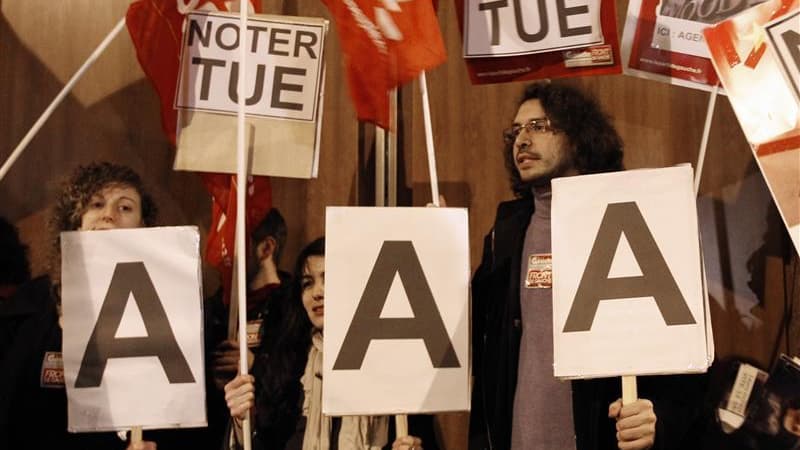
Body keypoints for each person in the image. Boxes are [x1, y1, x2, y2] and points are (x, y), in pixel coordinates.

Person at [469, 81, 706, 450]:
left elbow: (682, 359)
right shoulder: (505, 234)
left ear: (579, 137)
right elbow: (480, 353)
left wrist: (657, 419)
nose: (522, 140)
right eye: (515, 131)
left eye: (539, 126)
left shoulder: (630, 214)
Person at [0, 162, 158, 450]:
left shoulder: (167, 308)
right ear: (77, 220)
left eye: (125, 208)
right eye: (97, 204)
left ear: (143, 226)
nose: (109, 216)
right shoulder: (29, 305)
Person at [224, 238, 424, 450]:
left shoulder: (393, 368)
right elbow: (262, 441)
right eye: (307, 283)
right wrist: (242, 421)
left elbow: (420, 436)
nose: (317, 293)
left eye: (329, 279)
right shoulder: (287, 363)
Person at [205, 208, 293, 448]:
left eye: (230, 244)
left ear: (266, 248)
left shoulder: (293, 308)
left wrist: (255, 366)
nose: (222, 255)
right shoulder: (213, 310)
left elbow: (299, 387)